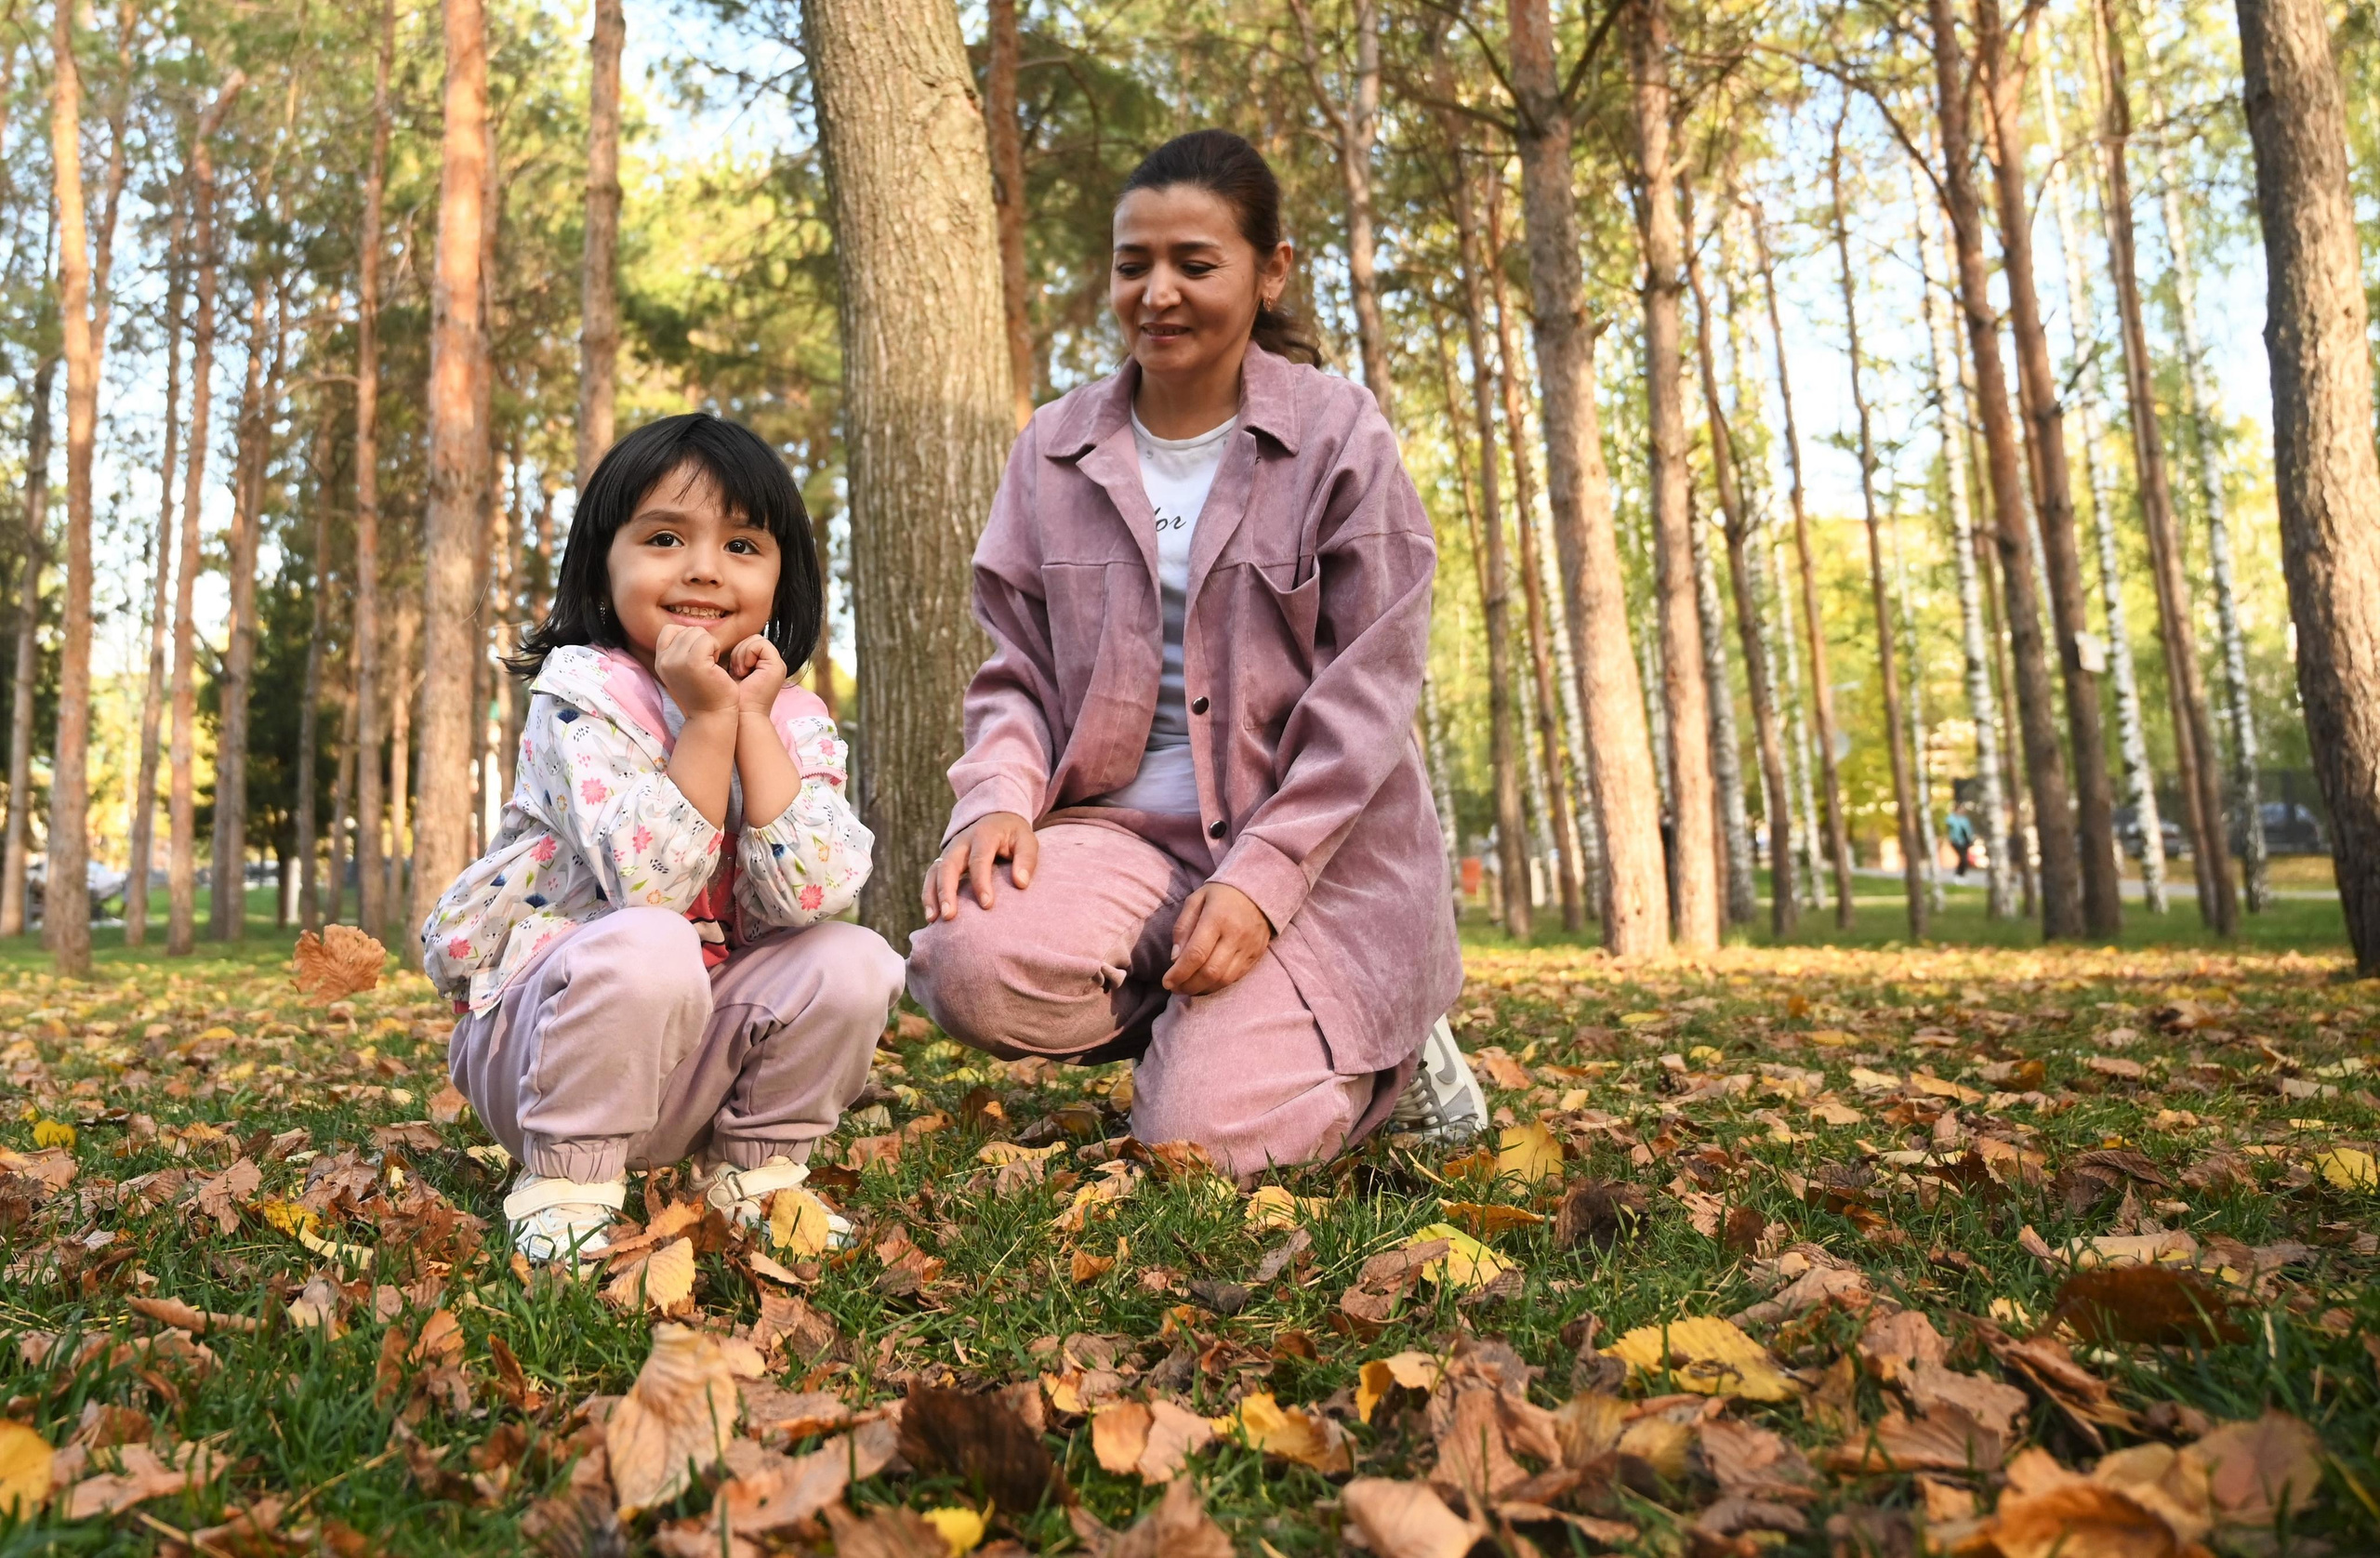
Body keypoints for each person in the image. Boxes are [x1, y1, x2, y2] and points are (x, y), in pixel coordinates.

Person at [906, 129, 1476, 1181]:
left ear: (1271, 272)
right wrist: (993, 796)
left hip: (1315, 855)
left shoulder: (1341, 437)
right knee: (961, 962)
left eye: (1194, 264)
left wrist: (1259, 882)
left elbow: (1369, 698)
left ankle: (1382, 1049)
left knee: (1191, 1144)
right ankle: (1221, 1031)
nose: (1157, 293)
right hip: (1129, 842)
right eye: (1133, 265)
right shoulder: (1052, 449)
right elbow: (1017, 671)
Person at [421, 414, 905, 1264]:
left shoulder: (793, 717)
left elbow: (821, 893)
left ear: (783, 577)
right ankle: (566, 1181)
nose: (705, 569)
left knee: (856, 957)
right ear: (603, 569)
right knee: (651, 942)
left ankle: (754, 1177)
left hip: (693, 1046)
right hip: (544, 1044)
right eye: (666, 537)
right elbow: (649, 887)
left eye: (744, 545)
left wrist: (750, 719)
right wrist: (710, 718)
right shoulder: (582, 698)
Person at [1945, 806, 1977, 878]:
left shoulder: (1965, 820)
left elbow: (1969, 831)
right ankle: (1959, 874)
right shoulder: (1952, 819)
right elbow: (1949, 823)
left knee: (1964, 858)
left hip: (1965, 842)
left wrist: (1971, 839)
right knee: (1963, 857)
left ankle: (1961, 874)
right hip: (1956, 841)